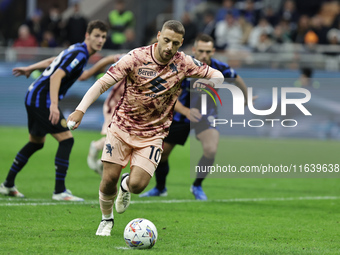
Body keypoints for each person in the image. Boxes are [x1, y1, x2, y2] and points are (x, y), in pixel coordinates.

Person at [66, 20, 224, 236]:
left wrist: (203, 87)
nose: (169, 47)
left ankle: (126, 186)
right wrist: (80, 110)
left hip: (153, 134)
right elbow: (102, 83)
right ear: (158, 36)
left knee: (138, 186)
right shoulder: (136, 57)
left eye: (175, 43)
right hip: (122, 127)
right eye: (166, 40)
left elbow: (218, 75)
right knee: (108, 180)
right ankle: (106, 219)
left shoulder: (184, 63)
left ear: (181, 43)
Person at [0, 20, 108, 201]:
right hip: (42, 99)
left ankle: (7, 185)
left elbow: (55, 61)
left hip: (34, 96)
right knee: (66, 139)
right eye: (97, 35)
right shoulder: (80, 54)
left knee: (36, 143)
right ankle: (59, 191)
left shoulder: (76, 49)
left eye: (103, 37)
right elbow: (57, 75)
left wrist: (30, 68)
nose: (100, 40)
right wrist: (53, 104)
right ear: (87, 36)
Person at [140, 34, 248, 200]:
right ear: (194, 50)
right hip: (180, 116)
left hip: (206, 115)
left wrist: (246, 99)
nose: (204, 55)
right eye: (201, 51)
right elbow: (169, 97)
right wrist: (186, 112)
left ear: (212, 51)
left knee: (211, 150)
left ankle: (197, 186)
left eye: (207, 51)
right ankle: (160, 188)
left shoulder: (219, 68)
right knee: (161, 155)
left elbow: (237, 78)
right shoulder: (183, 67)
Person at [78, 54, 124, 175]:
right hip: (115, 105)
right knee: (116, 136)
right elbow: (110, 58)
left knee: (124, 137)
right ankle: (97, 148)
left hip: (128, 108)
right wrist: (90, 72)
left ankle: (102, 161)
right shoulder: (136, 57)